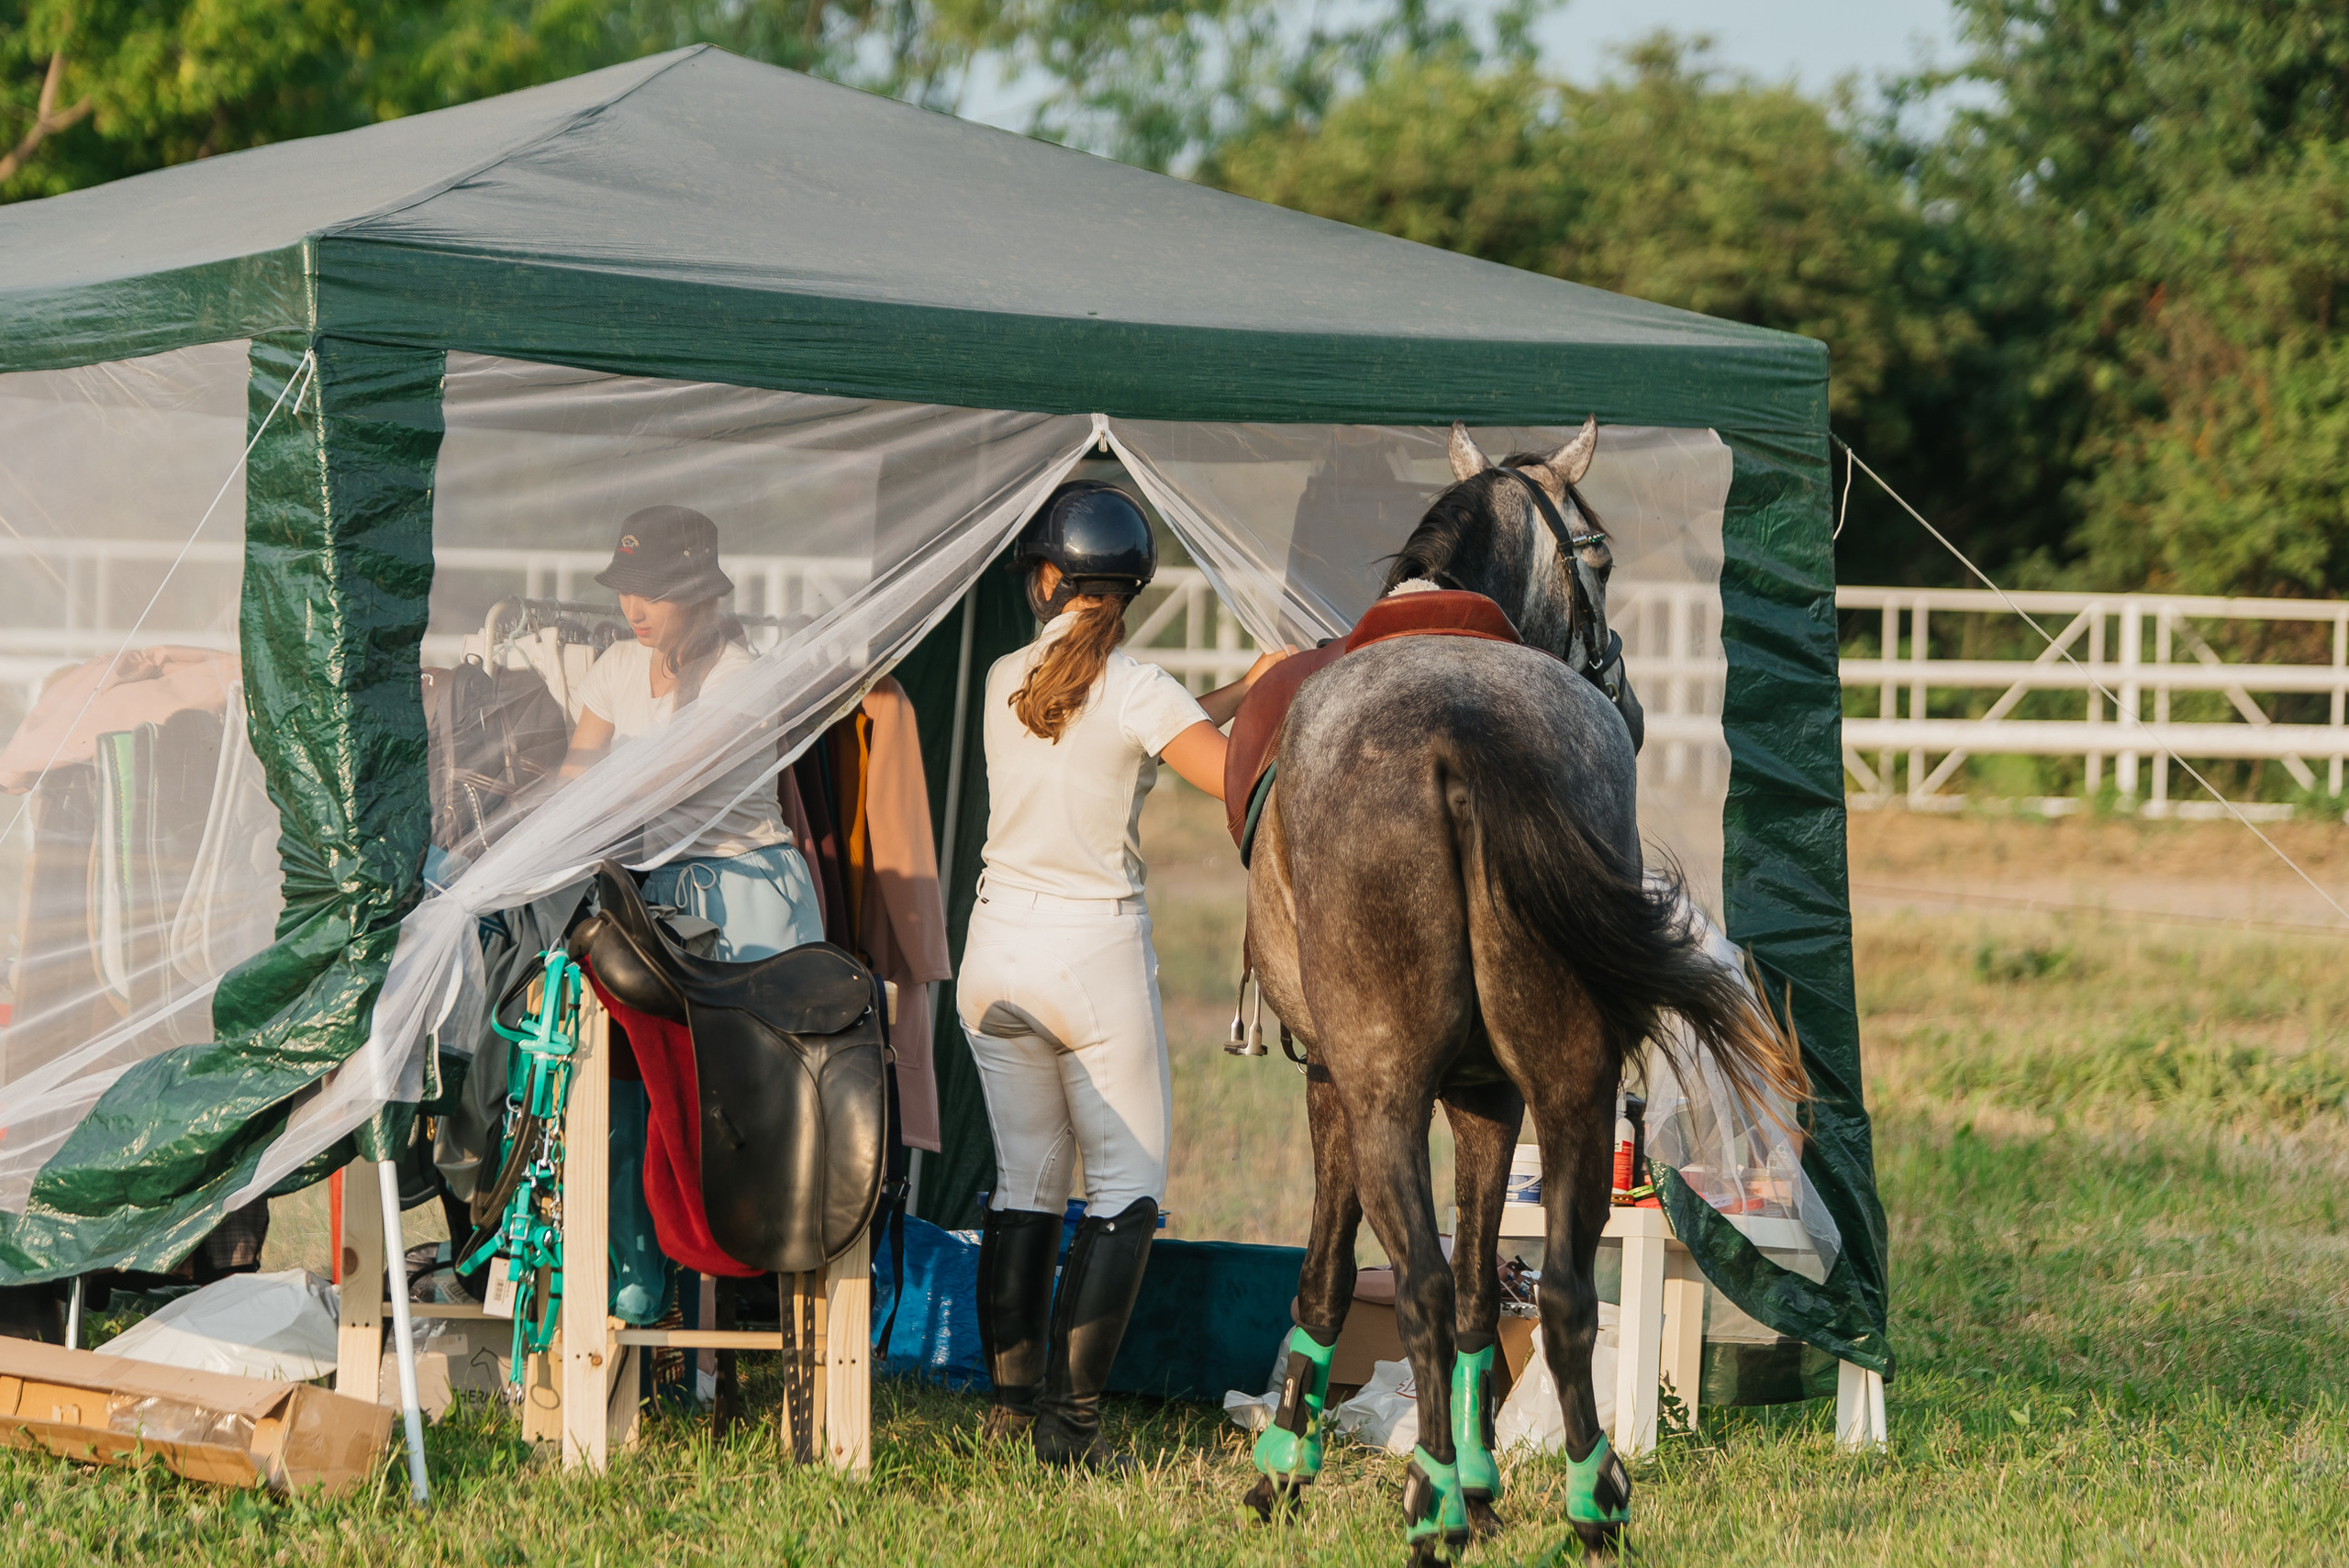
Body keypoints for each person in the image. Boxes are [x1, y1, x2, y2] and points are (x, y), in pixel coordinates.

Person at [961, 480, 1287, 1468]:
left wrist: (1233, 687)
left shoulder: (1004, 677)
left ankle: (1014, 1406)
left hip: (995, 952)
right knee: (1126, 1193)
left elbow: (1125, 717)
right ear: (1132, 585)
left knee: (1025, 1183)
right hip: (1090, 951)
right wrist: (1270, 710)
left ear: (1049, 579)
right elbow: (1229, 778)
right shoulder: (1140, 691)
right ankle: (1076, 1424)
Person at [560, 505, 823, 961]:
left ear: (696, 593)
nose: (633, 610)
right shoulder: (617, 665)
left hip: (749, 892)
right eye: (625, 590)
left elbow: (664, 781)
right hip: (665, 899)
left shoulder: (738, 676)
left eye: (653, 594)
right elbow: (573, 780)